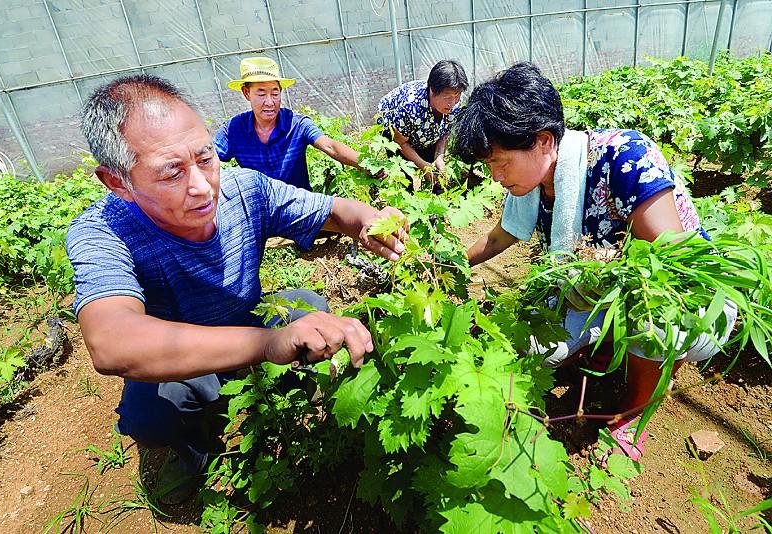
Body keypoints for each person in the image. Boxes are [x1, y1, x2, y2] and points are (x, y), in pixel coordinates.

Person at [67, 74, 407, 505]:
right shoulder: (101, 231)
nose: (201, 186)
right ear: (118, 182)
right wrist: (268, 344)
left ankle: (277, 400)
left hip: (247, 317)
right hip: (182, 354)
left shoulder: (243, 189)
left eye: (205, 158)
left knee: (310, 310)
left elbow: (335, 211)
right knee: (149, 418)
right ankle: (194, 451)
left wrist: (368, 221)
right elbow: (113, 343)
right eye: (171, 172)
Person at [451, 62, 737, 463]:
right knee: (538, 348)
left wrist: (597, 263)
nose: (495, 176)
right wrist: (450, 263)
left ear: (544, 140)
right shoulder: (529, 182)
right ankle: (602, 343)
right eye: (489, 165)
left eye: (500, 163)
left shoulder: (625, 157)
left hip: (679, 298)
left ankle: (633, 415)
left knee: (650, 326)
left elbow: (667, 254)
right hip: (595, 289)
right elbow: (501, 235)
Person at [214, 56, 371, 191]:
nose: (270, 102)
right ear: (246, 93)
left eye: (275, 93)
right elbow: (207, 158)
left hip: (299, 209)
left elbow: (329, 145)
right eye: (261, 93)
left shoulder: (297, 124)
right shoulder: (233, 129)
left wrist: (368, 164)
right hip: (260, 211)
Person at [377, 59, 468, 188]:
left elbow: (445, 131)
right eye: (447, 97)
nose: (452, 103)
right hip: (395, 130)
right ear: (432, 90)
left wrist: (439, 156)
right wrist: (423, 165)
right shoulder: (410, 107)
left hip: (423, 129)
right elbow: (401, 142)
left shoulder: (455, 104)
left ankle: (436, 192)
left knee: (435, 170)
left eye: (457, 95)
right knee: (404, 176)